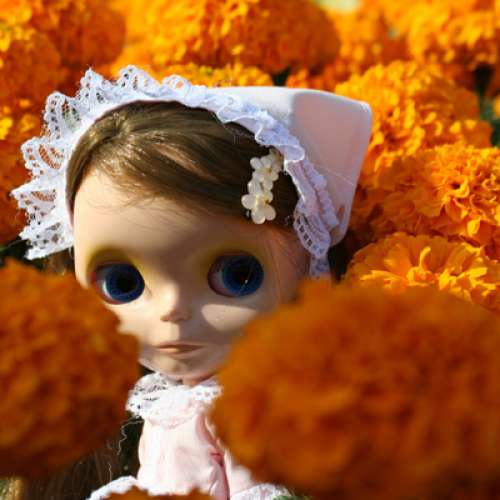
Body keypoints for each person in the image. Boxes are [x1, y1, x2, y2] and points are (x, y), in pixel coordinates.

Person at [10, 66, 372, 499]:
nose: (171, 311)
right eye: (123, 283)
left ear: (310, 268)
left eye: (236, 276)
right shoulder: (174, 404)